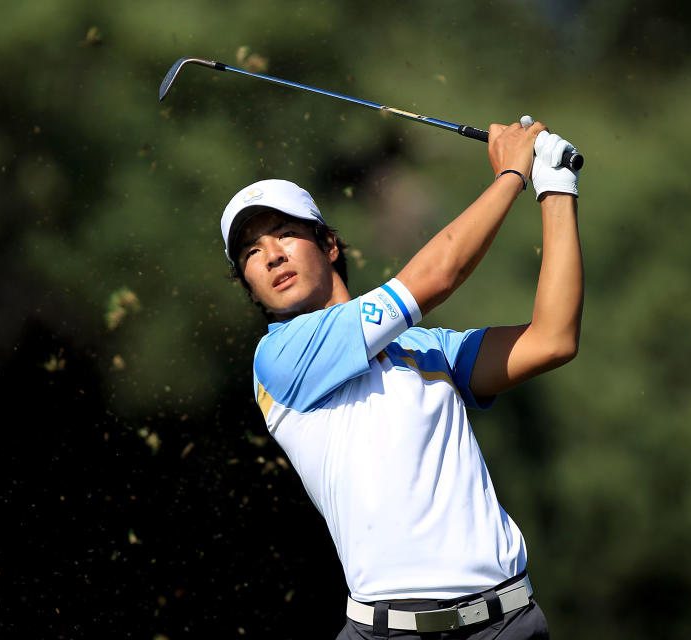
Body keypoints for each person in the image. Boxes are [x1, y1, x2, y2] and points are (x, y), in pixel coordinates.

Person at [220, 119, 582, 639]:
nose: (271, 253)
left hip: (505, 625)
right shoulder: (280, 359)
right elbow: (435, 277)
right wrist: (509, 176)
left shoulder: (426, 348)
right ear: (250, 287)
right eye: (251, 251)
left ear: (329, 245)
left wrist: (555, 187)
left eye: (286, 233)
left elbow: (553, 339)